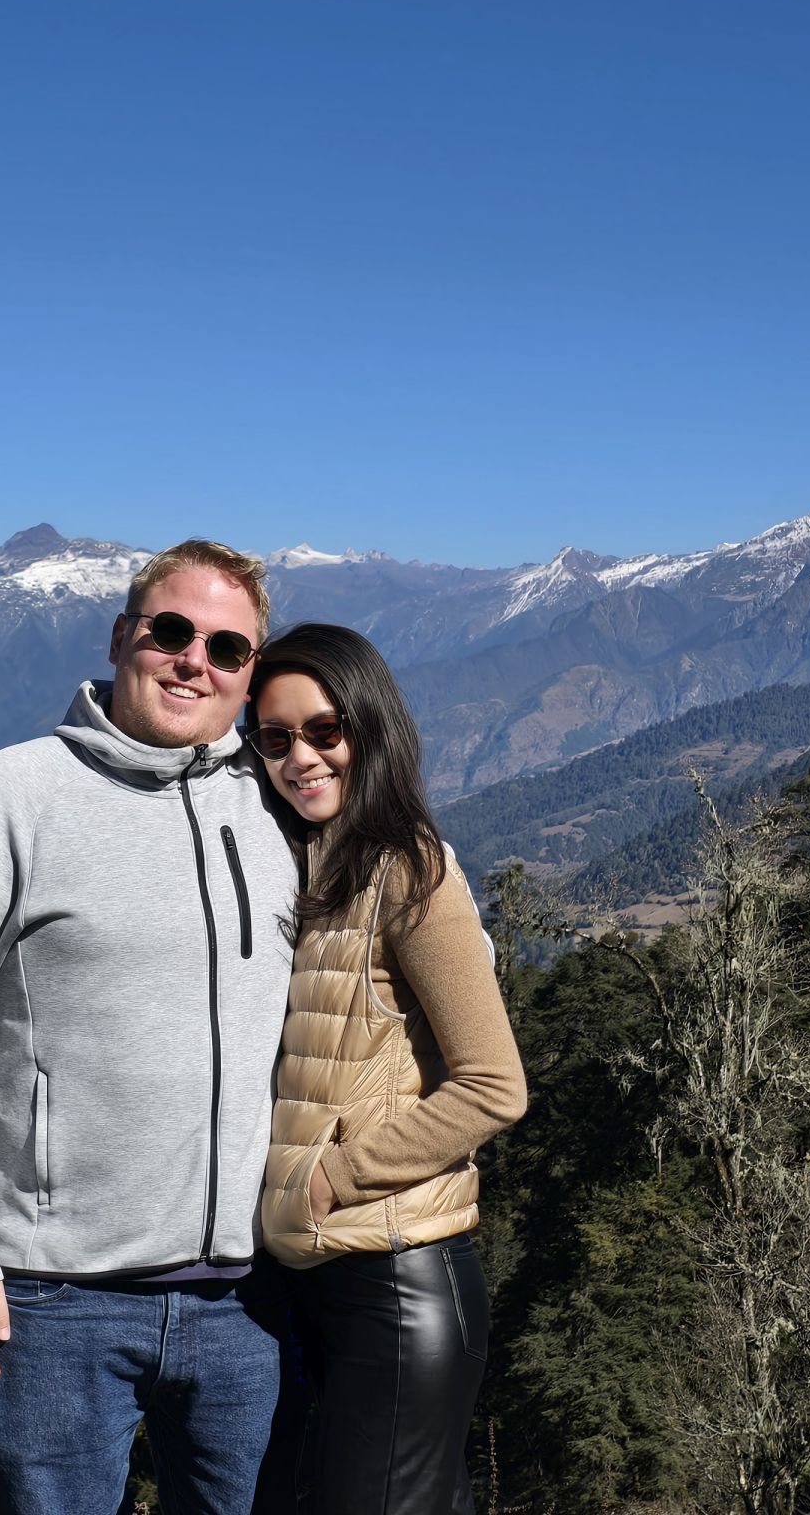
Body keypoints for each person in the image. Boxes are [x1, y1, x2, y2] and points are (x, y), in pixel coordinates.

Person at [0, 540, 305, 1515]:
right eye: (171, 631)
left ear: (250, 676)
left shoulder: (277, 800)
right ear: (122, 637)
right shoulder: (15, 795)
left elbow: (400, 893)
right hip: (53, 1297)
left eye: (227, 649)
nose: (193, 661)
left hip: (251, 1299)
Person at [248, 623, 528, 1514]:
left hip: (398, 1288)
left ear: (369, 727)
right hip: (326, 1281)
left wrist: (335, 1175)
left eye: (324, 730)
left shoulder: (411, 873)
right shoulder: (316, 862)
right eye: (276, 738)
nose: (300, 757)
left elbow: (495, 1086)